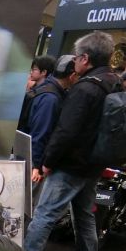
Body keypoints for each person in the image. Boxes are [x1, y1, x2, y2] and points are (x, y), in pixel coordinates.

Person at [22, 30, 119, 251]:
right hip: (94, 163)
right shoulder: (114, 82)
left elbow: (66, 131)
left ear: (85, 58)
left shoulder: (85, 88)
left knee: (44, 213)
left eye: (77, 57)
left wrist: (47, 162)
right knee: (84, 215)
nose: (74, 61)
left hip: (71, 164)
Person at [22, 55, 77, 186]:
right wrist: (35, 164)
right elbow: (40, 132)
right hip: (32, 163)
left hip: (25, 155)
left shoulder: (45, 89)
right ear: (72, 76)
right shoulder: (51, 99)